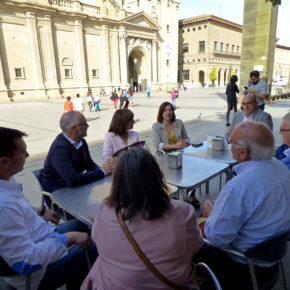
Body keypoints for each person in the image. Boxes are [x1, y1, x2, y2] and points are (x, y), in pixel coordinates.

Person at [81, 148, 203, 290]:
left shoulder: (105, 210)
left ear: (118, 182)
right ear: (158, 177)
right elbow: (196, 245)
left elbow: (97, 239)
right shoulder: (183, 212)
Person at [0, 127, 97, 289]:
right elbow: (25, 262)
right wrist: (68, 239)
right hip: (34, 274)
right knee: (94, 246)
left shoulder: (6, 179)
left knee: (83, 224)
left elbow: (18, 212)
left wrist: (41, 210)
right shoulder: (3, 205)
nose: (27, 155)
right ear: (4, 162)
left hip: (41, 236)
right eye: (23, 152)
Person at [197, 122, 290, 290]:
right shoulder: (281, 169)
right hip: (273, 256)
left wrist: (211, 214)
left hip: (245, 266)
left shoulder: (239, 186)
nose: (230, 146)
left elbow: (216, 238)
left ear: (243, 152)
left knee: (190, 242)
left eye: (231, 142)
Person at [41, 111, 114, 193]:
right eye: (84, 124)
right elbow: (72, 179)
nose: (88, 126)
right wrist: (102, 172)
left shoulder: (81, 141)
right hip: (59, 191)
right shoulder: (59, 148)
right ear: (73, 128)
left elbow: (89, 164)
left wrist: (106, 170)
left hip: (74, 187)